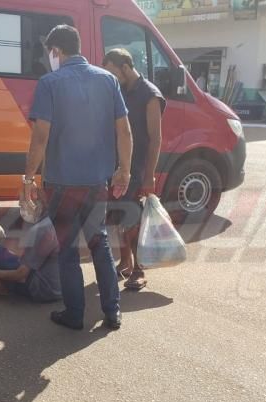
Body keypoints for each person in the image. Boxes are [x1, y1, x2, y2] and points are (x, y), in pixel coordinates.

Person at [23, 25, 134, 331]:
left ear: (56, 51)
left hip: (61, 184)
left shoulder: (49, 83)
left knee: (68, 250)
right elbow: (124, 130)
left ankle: (74, 314)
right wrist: (124, 170)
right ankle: (112, 313)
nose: (50, 58)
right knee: (100, 243)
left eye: (50, 53)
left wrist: (28, 178)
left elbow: (40, 137)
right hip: (97, 182)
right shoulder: (109, 80)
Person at [102, 48, 166, 291]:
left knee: (133, 218)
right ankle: (125, 262)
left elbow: (156, 139)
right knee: (119, 216)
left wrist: (149, 175)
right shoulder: (120, 90)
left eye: (112, 72)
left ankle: (139, 269)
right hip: (118, 165)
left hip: (137, 168)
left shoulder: (149, 94)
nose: (110, 77)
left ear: (125, 68)